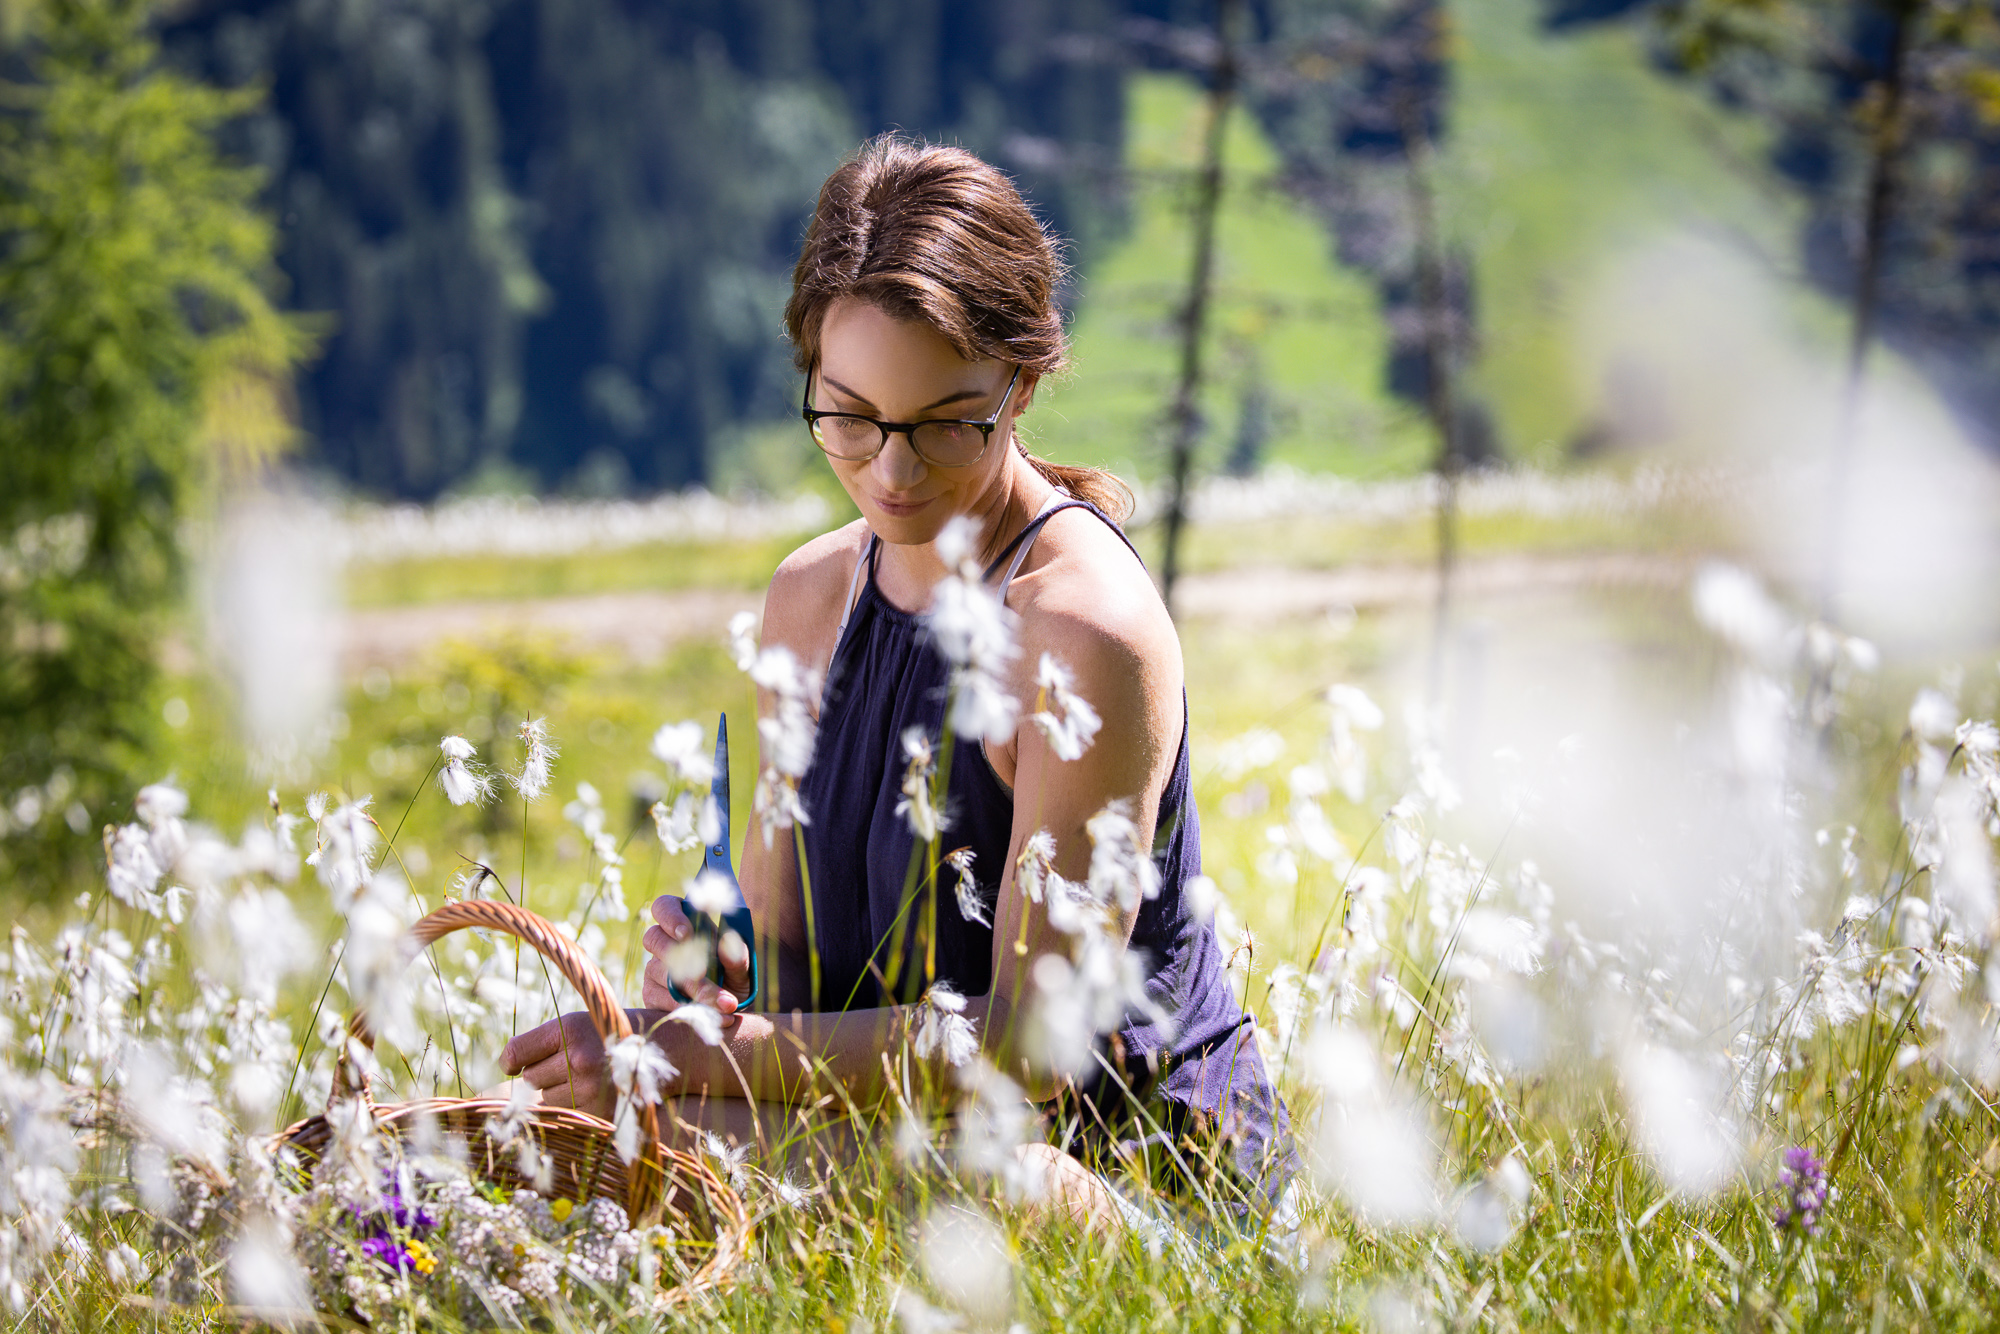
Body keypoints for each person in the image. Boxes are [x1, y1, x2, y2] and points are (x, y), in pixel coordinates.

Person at [503, 135, 1294, 1227]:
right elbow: (779, 955)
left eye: (940, 423)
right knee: (595, 1131)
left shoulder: (1079, 631)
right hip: (895, 1129)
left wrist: (692, 1058)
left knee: (660, 1130)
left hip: (1115, 1178)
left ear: (1018, 382)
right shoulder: (810, 598)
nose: (891, 469)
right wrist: (706, 979)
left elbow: (1034, 1046)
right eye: (850, 416)